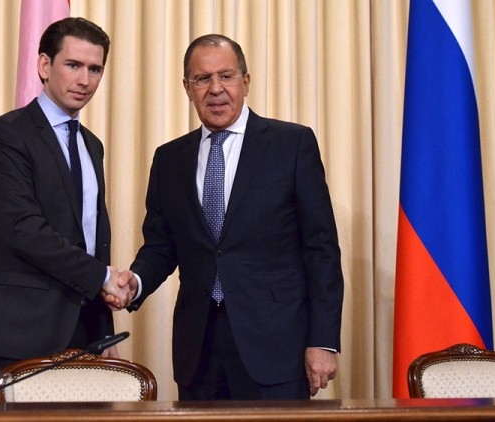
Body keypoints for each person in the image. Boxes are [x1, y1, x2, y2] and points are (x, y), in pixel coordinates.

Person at [116, 34, 344, 400]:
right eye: (202, 79)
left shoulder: (291, 144)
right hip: (199, 351)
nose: (215, 89)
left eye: (226, 76)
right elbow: (161, 246)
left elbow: (321, 250)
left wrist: (322, 341)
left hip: (276, 347)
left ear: (246, 81)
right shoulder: (169, 159)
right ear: (187, 87)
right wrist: (136, 282)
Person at [0, 17, 132, 387]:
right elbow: (22, 229)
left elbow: (90, 240)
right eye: (73, 65)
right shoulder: (5, 135)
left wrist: (104, 331)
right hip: (17, 336)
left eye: (95, 69)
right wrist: (104, 278)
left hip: (85, 336)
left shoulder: (92, 145)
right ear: (44, 65)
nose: (84, 80)